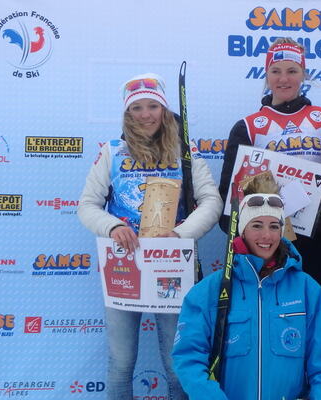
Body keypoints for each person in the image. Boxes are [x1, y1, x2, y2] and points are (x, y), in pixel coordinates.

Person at [78, 72, 223, 400]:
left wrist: (181, 234)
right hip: (124, 265)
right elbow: (87, 205)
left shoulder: (186, 152)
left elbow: (211, 202)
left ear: (164, 109)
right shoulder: (113, 151)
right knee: (121, 362)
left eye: (153, 106)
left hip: (171, 264)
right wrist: (113, 227)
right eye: (137, 108)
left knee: (176, 363)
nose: (146, 114)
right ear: (127, 114)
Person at [219, 37, 321, 308]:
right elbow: (229, 197)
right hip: (268, 240)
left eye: (292, 71)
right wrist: (245, 236)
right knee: (270, 312)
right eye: (276, 71)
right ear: (266, 74)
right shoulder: (248, 126)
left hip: (318, 238)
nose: (283, 79)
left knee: (315, 310)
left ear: (303, 74)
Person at [172, 190, 321, 400]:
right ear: (242, 231)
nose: (266, 236)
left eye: (274, 226)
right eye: (256, 225)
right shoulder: (209, 291)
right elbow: (189, 359)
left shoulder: (307, 289)